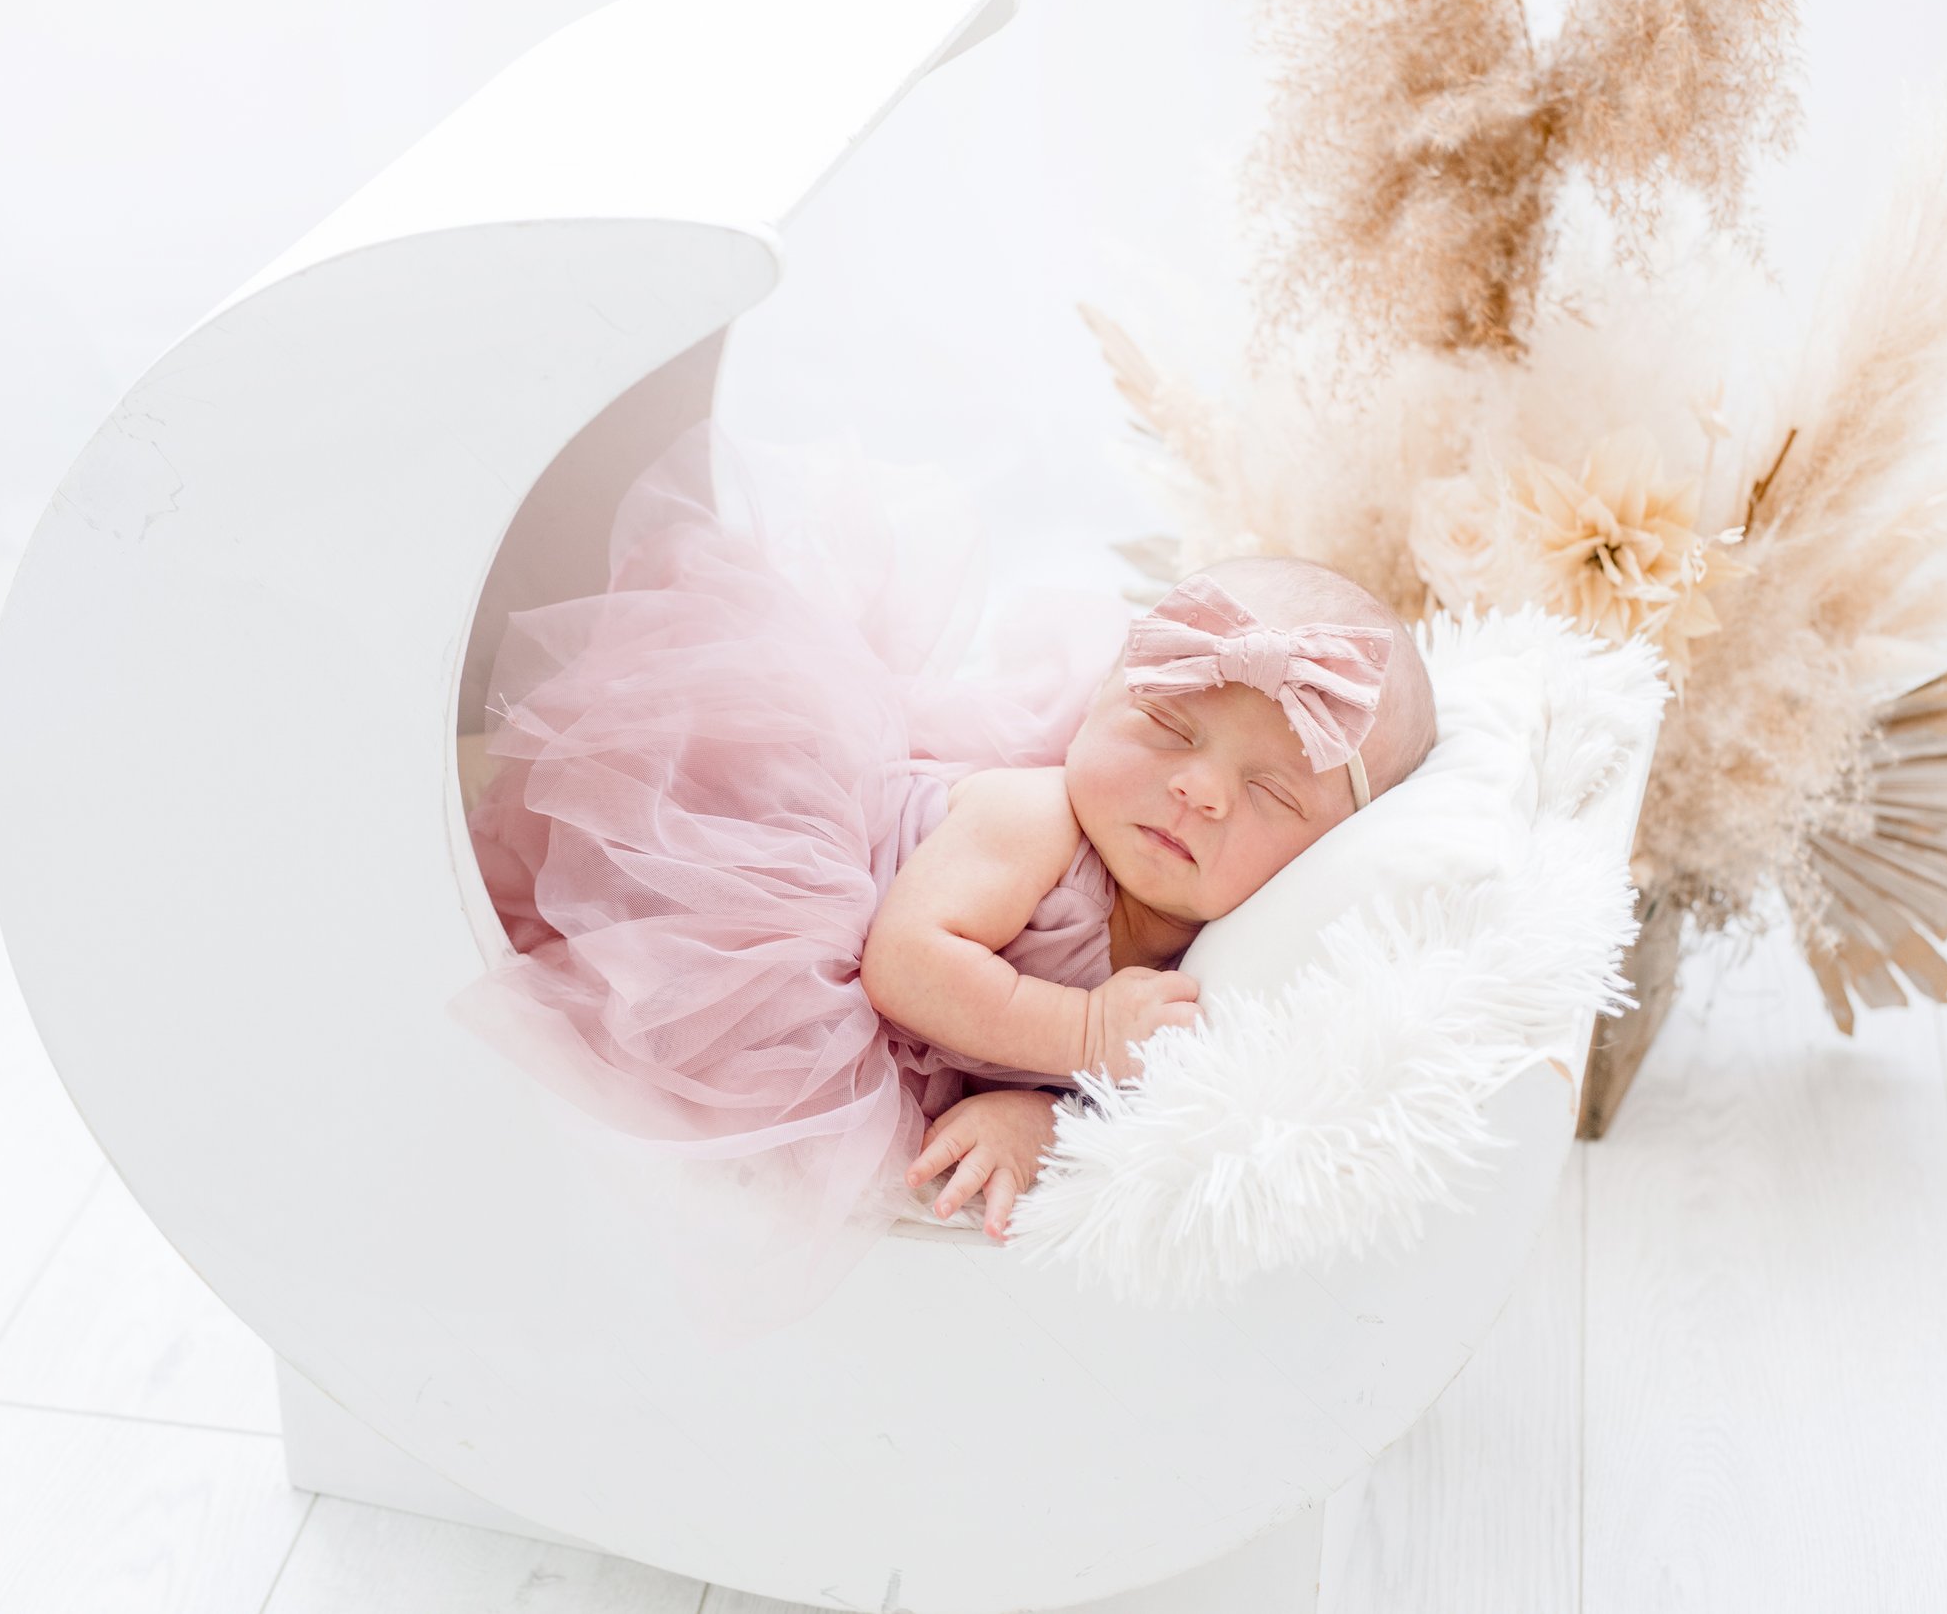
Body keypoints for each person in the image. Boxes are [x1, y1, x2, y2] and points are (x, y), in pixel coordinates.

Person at [447, 417, 1434, 1341]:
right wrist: (1089, 1033)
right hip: (801, 921)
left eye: (1267, 790)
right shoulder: (1036, 816)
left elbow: (1126, 1093)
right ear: (1099, 700)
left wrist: (1038, 1112)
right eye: (1168, 728)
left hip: (914, 1033)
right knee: (629, 979)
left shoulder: (1215, 951)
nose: (1197, 787)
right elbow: (910, 965)